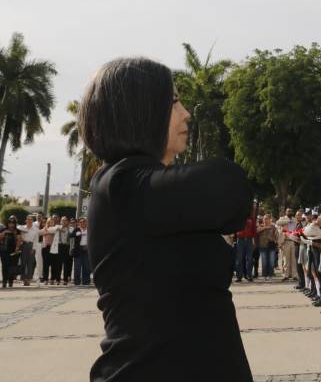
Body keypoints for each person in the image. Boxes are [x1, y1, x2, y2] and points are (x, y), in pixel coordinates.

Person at [79, 57, 254, 381]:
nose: (186, 112)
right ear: (139, 111)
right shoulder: (120, 183)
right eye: (173, 102)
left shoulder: (144, 187)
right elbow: (227, 187)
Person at [0, 216, 22, 288]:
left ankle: (10, 281)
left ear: (15, 224)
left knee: (12, 267)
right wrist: (4, 233)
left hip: (14, 251)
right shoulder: (3, 229)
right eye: (10, 222)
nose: (11, 224)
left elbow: (19, 240)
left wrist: (17, 248)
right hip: (4, 250)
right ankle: (4, 281)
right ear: (7, 223)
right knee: (4, 266)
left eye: (13, 223)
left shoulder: (17, 231)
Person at [18, 214, 40, 286]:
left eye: (31, 219)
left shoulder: (36, 229)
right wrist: (22, 231)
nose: (29, 221)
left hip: (31, 245)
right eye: (28, 219)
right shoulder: (22, 228)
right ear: (26, 220)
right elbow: (17, 226)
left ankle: (28, 279)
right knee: (23, 262)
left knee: (30, 263)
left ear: (32, 221)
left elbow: (36, 240)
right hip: (23, 245)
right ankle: (23, 279)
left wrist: (34, 248)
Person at [235, 211, 256, 282]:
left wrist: (254, 240)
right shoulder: (238, 217)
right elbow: (235, 228)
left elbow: (254, 230)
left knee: (249, 259)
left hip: (249, 240)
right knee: (239, 259)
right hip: (240, 239)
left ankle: (249, 276)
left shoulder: (251, 218)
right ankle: (239, 276)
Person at [256, 214, 278, 281]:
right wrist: (265, 227)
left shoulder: (273, 227)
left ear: (270, 219)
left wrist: (275, 240)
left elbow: (276, 235)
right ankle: (265, 275)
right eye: (264, 219)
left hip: (271, 246)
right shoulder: (260, 226)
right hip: (263, 246)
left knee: (271, 261)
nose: (265, 220)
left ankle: (270, 275)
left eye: (267, 219)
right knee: (264, 261)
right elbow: (257, 231)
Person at [73, 217, 91, 286]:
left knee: (86, 267)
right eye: (81, 222)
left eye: (84, 222)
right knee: (77, 267)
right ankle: (77, 282)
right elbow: (70, 235)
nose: (82, 223)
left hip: (86, 250)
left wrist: (88, 246)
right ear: (79, 223)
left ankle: (86, 282)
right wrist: (75, 234)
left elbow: (93, 239)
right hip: (78, 250)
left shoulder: (89, 229)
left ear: (86, 222)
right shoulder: (77, 229)